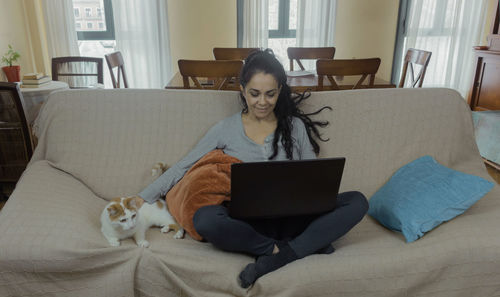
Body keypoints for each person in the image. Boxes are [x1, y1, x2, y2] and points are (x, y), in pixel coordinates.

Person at [138, 49, 369, 288]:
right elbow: (184, 166)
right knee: (205, 219)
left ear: (280, 90)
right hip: (248, 223)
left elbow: (312, 176)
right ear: (242, 90)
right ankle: (297, 245)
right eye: (254, 94)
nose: (262, 102)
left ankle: (277, 257)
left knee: (358, 201)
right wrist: (140, 198)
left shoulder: (295, 126)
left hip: (295, 217)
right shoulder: (225, 129)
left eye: (270, 94)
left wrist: (317, 194)